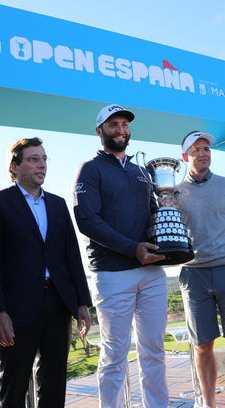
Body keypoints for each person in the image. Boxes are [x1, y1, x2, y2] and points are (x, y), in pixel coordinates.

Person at [73, 103, 168, 408]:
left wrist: (167, 220)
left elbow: (153, 215)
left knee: (154, 349)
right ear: (99, 131)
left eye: (124, 125)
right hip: (112, 273)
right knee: (114, 353)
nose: (120, 130)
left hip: (152, 271)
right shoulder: (90, 169)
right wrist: (132, 249)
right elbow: (87, 219)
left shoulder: (142, 172)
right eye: (113, 125)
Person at [0, 137, 92, 407]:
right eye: (34, 159)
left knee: (54, 382)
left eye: (44, 159)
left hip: (58, 304)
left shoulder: (57, 204)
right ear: (14, 167)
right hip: (15, 310)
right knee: (13, 386)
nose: (42, 165)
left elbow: (72, 255)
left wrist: (82, 302)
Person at [175, 131, 225, 408]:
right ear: (186, 156)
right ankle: (208, 404)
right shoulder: (173, 192)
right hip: (193, 274)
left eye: (206, 149)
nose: (203, 153)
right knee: (202, 345)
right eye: (196, 150)